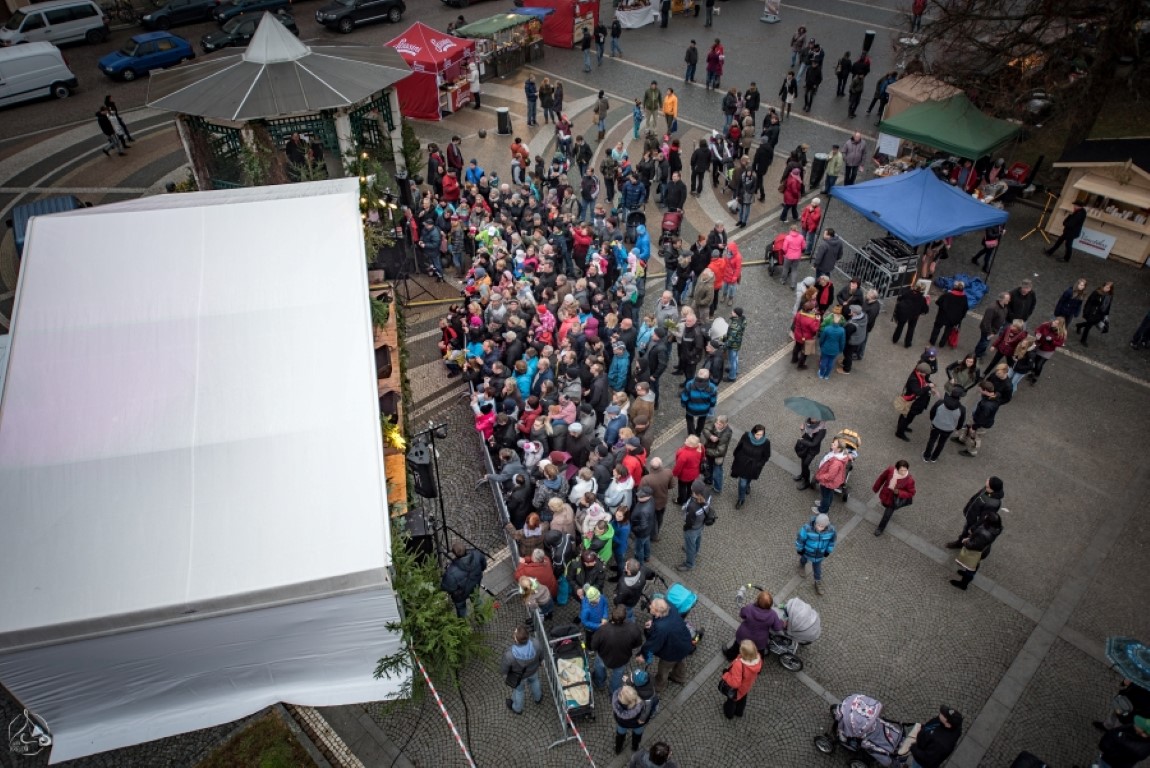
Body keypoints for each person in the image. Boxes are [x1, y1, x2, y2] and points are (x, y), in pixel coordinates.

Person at [636, 597, 694, 694]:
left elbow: (653, 644)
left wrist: (643, 655)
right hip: (684, 642)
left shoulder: (661, 628)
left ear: (658, 613)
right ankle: (679, 677)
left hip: (672, 651)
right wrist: (654, 622)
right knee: (680, 660)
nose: (649, 607)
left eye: (652, 607)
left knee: (664, 669)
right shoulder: (669, 606)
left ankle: (658, 686)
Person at [945, 477, 1004, 549]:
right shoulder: (987, 489)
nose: (987, 480)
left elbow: (983, 518)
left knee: (966, 533)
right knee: (966, 531)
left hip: (974, 522)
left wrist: (973, 528)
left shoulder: (993, 504)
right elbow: (976, 497)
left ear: (992, 488)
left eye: (988, 481)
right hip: (972, 516)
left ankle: (960, 544)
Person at [501, 625, 544, 715]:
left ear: (516, 639)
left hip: (519, 677)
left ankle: (517, 708)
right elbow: (541, 655)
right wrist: (540, 662)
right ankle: (538, 698)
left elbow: (504, 668)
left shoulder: (510, 654)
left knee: (519, 691)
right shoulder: (536, 643)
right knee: (535, 682)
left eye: (515, 633)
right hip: (533, 671)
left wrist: (505, 675)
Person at [729, 424, 770, 510]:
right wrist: (737, 456)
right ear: (753, 432)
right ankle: (741, 499)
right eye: (757, 434)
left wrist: (759, 464)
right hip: (743, 463)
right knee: (742, 483)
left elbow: (766, 456)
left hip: (754, 466)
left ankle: (748, 485)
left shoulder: (766, 442)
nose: (759, 437)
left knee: (748, 479)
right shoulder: (746, 436)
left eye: (761, 435)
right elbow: (739, 446)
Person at [441, 541, 487, 617]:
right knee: (476, 599)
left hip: (460, 595)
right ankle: (481, 617)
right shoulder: (477, 554)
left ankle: (463, 623)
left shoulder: (451, 572)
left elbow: (447, 588)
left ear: (454, 554)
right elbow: (484, 566)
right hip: (475, 585)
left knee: (461, 609)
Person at [719, 640, 763, 719]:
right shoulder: (758, 659)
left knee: (731, 701)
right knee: (742, 698)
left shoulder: (739, 664)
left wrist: (726, 675)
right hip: (746, 686)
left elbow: (735, 683)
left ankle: (729, 714)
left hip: (738, 689)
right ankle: (739, 712)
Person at [796, 513, 836, 595]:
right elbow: (800, 539)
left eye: (822, 526)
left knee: (817, 569)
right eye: (818, 525)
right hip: (807, 551)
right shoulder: (807, 528)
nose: (819, 528)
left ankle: (817, 582)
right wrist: (800, 549)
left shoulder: (831, 531)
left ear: (826, 525)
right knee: (804, 559)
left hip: (819, 555)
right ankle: (801, 565)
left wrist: (828, 551)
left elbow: (832, 542)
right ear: (815, 523)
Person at [872, 460, 915, 536]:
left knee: (887, 515)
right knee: (884, 504)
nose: (903, 472)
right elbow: (881, 478)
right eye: (901, 470)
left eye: (905, 470)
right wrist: (876, 487)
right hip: (885, 494)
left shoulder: (909, 480)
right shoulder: (890, 470)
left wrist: (899, 492)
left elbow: (911, 493)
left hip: (893, 500)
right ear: (897, 469)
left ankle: (880, 529)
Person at [896, 362, 936, 441]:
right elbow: (918, 392)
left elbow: (924, 381)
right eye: (925, 373)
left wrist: (928, 384)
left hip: (914, 402)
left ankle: (902, 427)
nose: (926, 375)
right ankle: (899, 432)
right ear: (920, 371)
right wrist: (928, 387)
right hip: (911, 403)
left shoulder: (918, 374)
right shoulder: (913, 380)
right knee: (906, 417)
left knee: (907, 417)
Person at [612, 683, 657, 754]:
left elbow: (617, 692)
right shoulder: (642, 705)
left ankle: (618, 749)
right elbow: (649, 713)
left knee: (620, 735)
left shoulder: (616, 702)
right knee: (637, 735)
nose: (623, 686)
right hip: (638, 724)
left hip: (622, 723)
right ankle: (635, 747)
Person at [924, 387, 966, 463]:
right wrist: (958, 428)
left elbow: (932, 412)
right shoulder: (962, 409)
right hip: (949, 429)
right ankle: (934, 458)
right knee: (941, 443)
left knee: (932, 440)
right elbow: (961, 421)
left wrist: (933, 420)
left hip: (936, 425)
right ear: (960, 397)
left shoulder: (940, 402)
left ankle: (926, 456)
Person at [811, 437, 852, 514]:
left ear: (839, 449)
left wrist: (819, 477)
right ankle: (825, 504)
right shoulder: (838, 454)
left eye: (834, 444)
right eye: (833, 443)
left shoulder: (836, 463)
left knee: (826, 495)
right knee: (829, 494)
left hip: (828, 482)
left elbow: (830, 476)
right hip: (832, 482)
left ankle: (823, 510)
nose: (832, 444)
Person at [678, 478, 710, 571]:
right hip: (700, 524)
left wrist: (684, 509)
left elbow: (687, 520)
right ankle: (695, 552)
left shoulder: (693, 506)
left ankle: (689, 564)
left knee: (690, 546)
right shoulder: (707, 494)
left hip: (692, 528)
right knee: (698, 538)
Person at [929, 280, 968, 347]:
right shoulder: (964, 297)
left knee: (937, 328)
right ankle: (942, 344)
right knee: (948, 331)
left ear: (954, 287)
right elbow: (965, 308)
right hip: (953, 318)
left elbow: (938, 302)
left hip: (942, 315)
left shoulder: (947, 295)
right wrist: (960, 318)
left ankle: (932, 341)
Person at [680, 369, 717, 436]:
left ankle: (692, 434)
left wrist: (683, 404)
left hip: (691, 408)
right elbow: (713, 400)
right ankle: (698, 433)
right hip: (704, 409)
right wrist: (711, 405)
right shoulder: (712, 387)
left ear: (697, 374)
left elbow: (685, 397)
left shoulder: (690, 384)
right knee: (702, 420)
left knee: (689, 419)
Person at [974, 292, 1011, 360]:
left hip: (994, 330)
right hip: (988, 330)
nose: (1009, 300)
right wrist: (989, 332)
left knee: (985, 341)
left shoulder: (1004, 306)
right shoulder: (992, 308)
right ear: (1001, 299)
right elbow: (986, 322)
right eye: (1007, 299)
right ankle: (978, 354)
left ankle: (980, 351)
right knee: (984, 342)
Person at [701, 415, 733, 493]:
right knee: (708, 466)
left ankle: (717, 487)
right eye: (717, 423)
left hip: (717, 455)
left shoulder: (726, 434)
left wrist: (706, 451)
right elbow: (705, 429)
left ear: (725, 424)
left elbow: (720, 451)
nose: (717, 425)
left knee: (717, 472)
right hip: (710, 449)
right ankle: (709, 480)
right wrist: (711, 436)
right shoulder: (715, 421)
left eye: (720, 425)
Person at [1077, 281, 1114, 346]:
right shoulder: (1097, 292)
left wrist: (1106, 314)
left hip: (1100, 314)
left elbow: (1108, 306)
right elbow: (1089, 302)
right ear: (1103, 286)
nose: (1106, 289)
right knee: (1088, 326)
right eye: (1106, 287)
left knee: (1091, 324)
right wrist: (1086, 311)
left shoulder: (1109, 296)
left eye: (1108, 288)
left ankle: (1079, 325)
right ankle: (1083, 340)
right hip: (1093, 312)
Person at [1030, 317, 1067, 382]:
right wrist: (1037, 334)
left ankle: (1036, 376)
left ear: (1060, 326)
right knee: (1035, 361)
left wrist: (1052, 341)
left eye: (1056, 323)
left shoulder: (1061, 333)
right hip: (1039, 346)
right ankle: (1033, 372)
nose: (1054, 323)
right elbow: (1038, 329)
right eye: (1054, 321)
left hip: (1048, 350)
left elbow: (1060, 343)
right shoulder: (1046, 325)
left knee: (1039, 364)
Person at [794, 418, 826, 490]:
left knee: (805, 464)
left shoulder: (822, 430)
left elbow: (813, 444)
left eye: (814, 417)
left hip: (812, 450)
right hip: (805, 447)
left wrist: (802, 441)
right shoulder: (808, 422)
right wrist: (802, 429)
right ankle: (802, 474)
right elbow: (806, 434)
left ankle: (807, 482)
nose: (812, 417)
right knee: (803, 460)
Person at [817, 313, 846, 380]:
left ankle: (821, 374)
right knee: (831, 362)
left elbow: (822, 339)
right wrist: (841, 349)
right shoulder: (842, 330)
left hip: (825, 348)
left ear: (832, 320)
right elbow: (842, 342)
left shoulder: (827, 329)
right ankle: (826, 375)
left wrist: (821, 346)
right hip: (835, 349)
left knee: (824, 361)